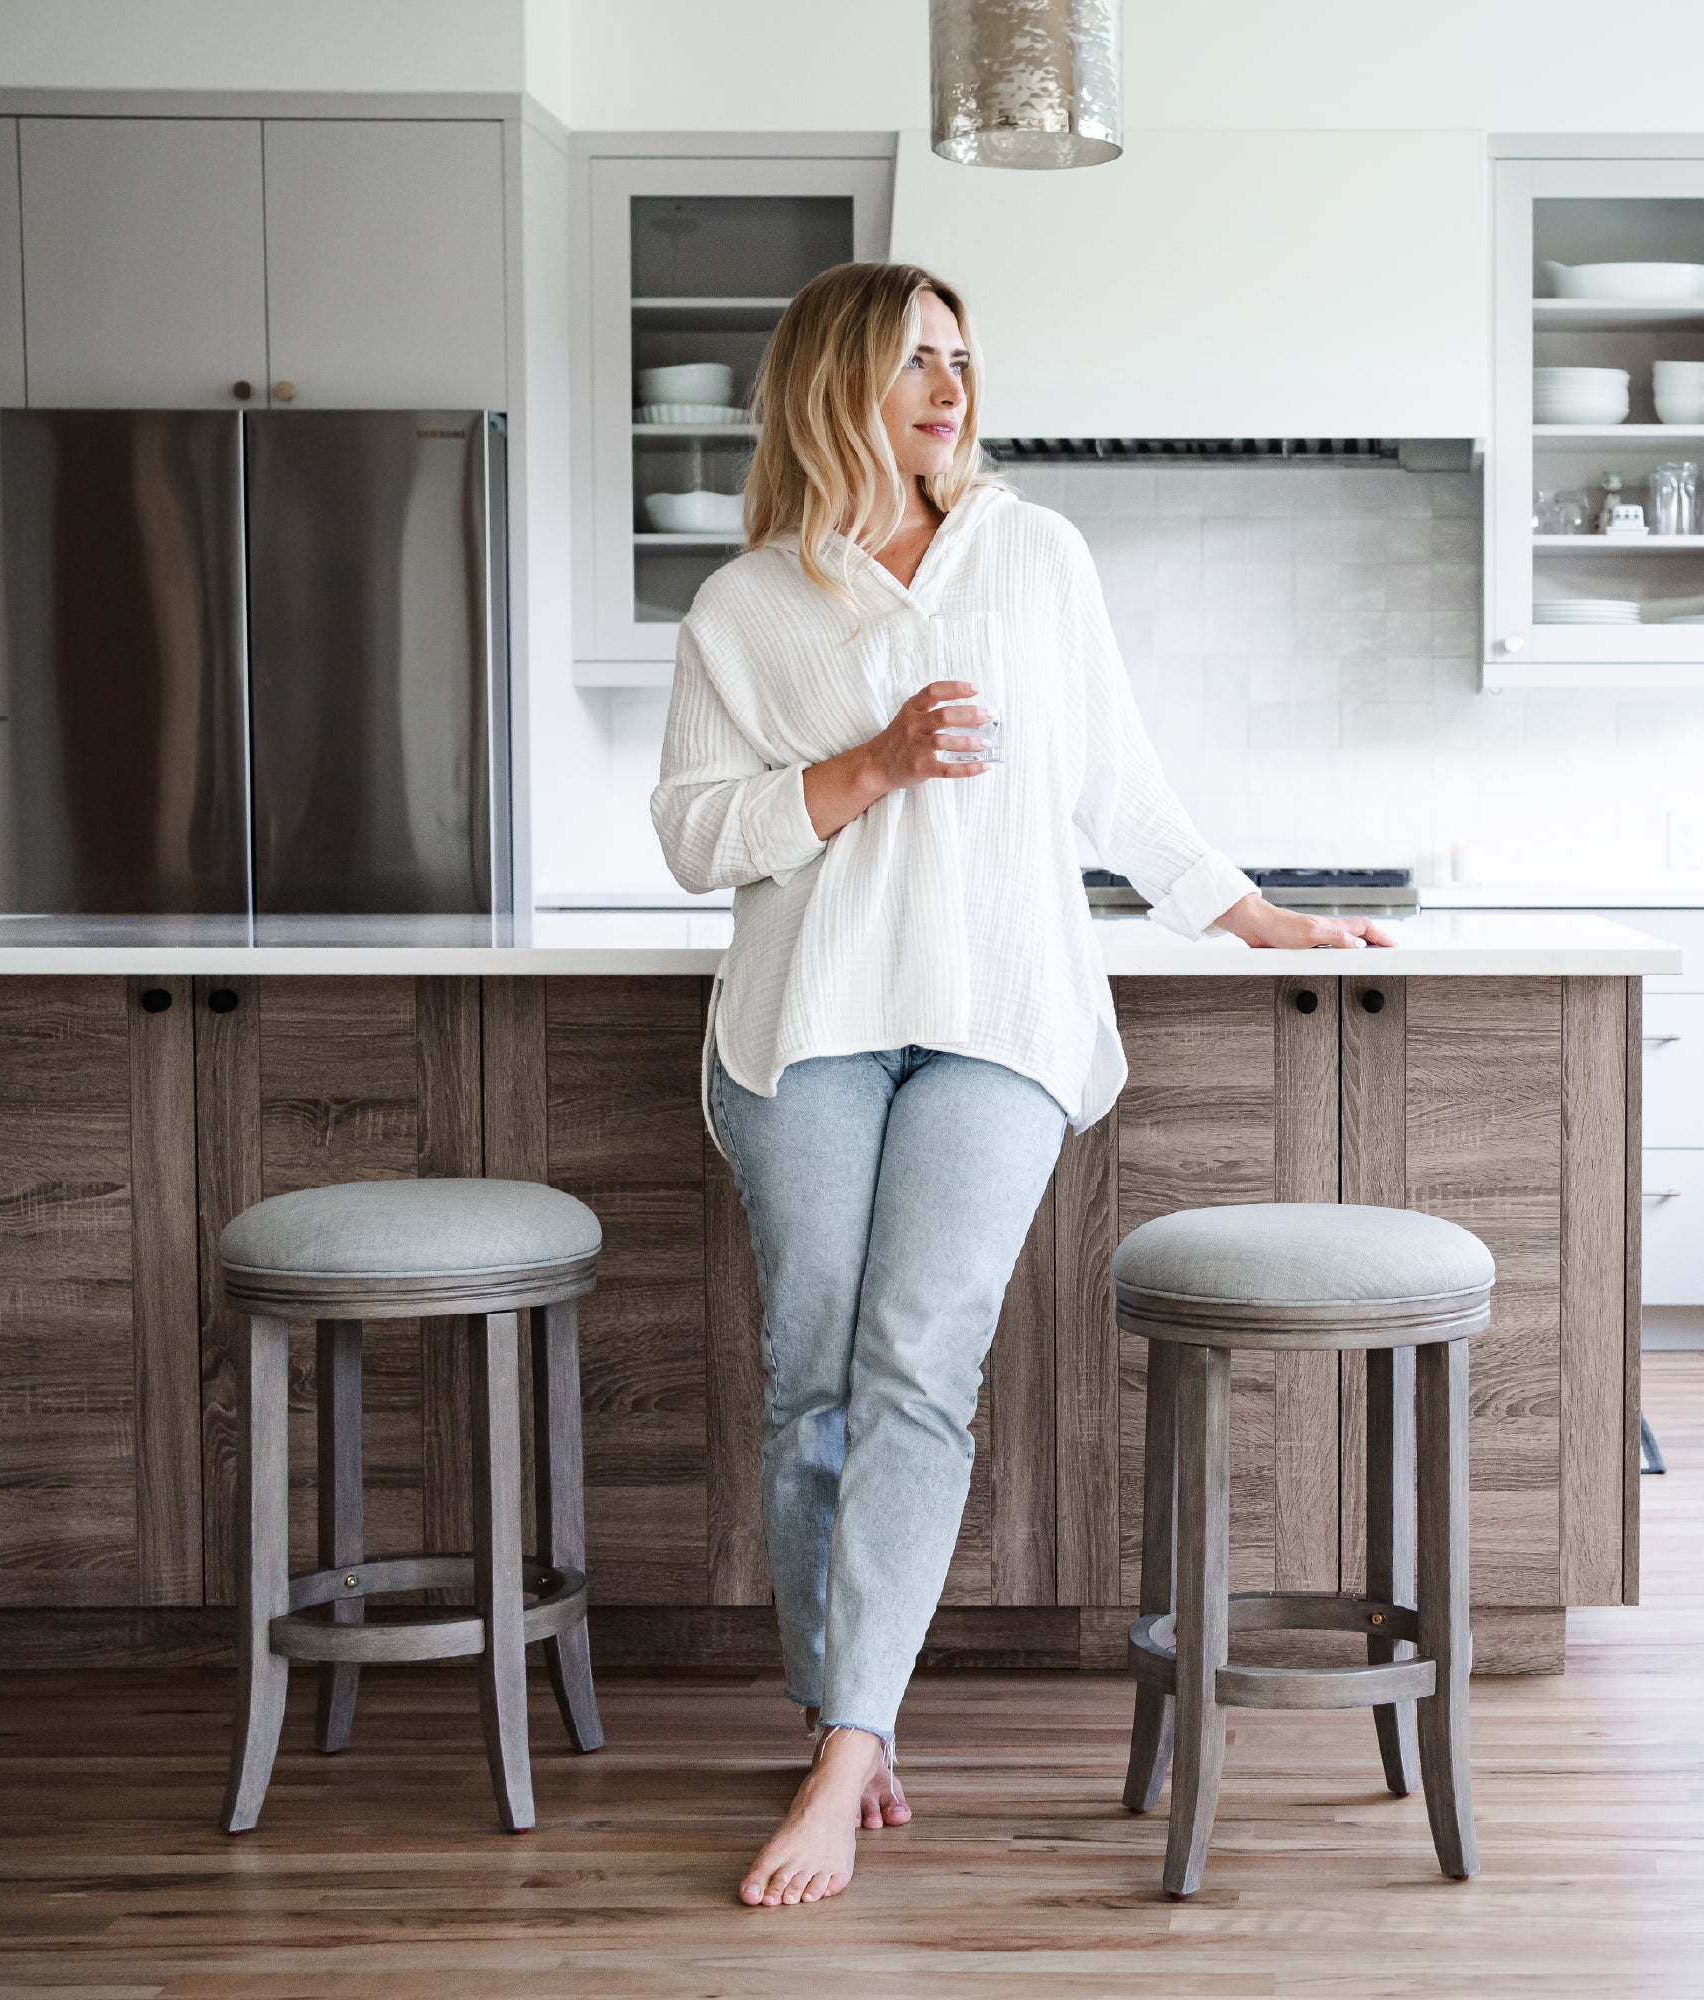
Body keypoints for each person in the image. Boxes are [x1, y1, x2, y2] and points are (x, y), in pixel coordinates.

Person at [651, 261, 1391, 1910]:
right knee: (806, 1372)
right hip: (809, 1019)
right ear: (835, 379)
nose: (949, 389)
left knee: (916, 1359)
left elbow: (1116, 785)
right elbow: (699, 835)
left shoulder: (1032, 555)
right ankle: (851, 1706)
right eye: (916, 360)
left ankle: (842, 1754)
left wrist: (1253, 911)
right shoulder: (746, 604)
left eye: (964, 362)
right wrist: (868, 765)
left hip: (995, 1012)